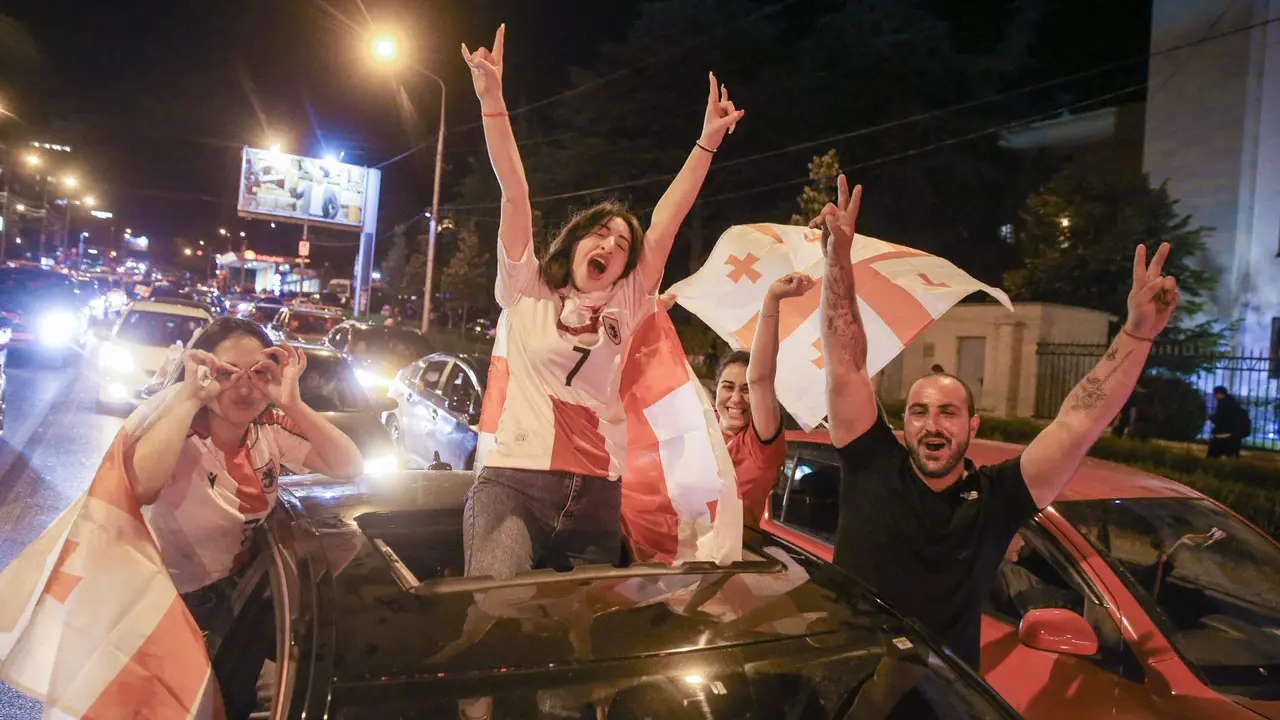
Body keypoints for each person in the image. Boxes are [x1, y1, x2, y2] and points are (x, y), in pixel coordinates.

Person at [814, 173, 1180, 668]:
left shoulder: (997, 500)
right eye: (918, 412)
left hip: (947, 697)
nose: (933, 423)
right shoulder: (871, 464)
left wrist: (1136, 337)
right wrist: (838, 262)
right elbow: (846, 363)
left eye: (948, 412)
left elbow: (1076, 424)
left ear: (973, 427)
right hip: (849, 683)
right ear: (904, 428)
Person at [461, 25, 744, 580]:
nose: (612, 244)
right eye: (601, 233)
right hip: (515, 482)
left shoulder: (627, 304)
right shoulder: (526, 287)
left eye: (622, 244)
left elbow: (667, 220)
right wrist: (493, 102)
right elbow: (515, 192)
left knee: (582, 645)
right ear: (573, 242)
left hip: (596, 495)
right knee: (492, 620)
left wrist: (706, 141)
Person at [122, 318, 363, 716]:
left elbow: (349, 465)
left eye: (260, 373)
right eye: (226, 373)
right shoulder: (180, 431)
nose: (245, 387)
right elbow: (141, 487)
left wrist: (292, 403)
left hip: (239, 605)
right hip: (172, 608)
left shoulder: (268, 429)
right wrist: (189, 396)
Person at [706, 272, 813, 527]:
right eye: (728, 387)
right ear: (716, 389)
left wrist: (772, 299)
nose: (736, 399)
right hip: (668, 559)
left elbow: (761, 378)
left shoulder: (759, 446)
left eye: (746, 390)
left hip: (726, 562)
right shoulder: (700, 424)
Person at [1208, 385, 1249, 458]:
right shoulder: (1234, 405)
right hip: (1235, 436)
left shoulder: (1223, 404)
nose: (1214, 396)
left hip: (1224, 435)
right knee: (1230, 457)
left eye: (1215, 394)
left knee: (1214, 457)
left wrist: (1211, 417)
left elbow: (1221, 419)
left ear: (1219, 394)